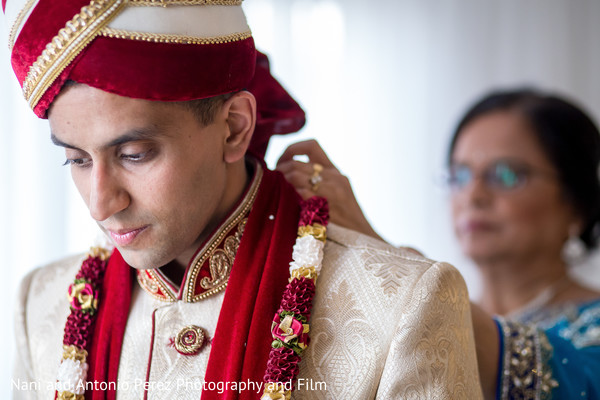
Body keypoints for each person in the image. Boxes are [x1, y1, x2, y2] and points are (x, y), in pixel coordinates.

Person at [5, 1, 482, 399]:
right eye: (76, 160)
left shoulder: (401, 305)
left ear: (233, 127)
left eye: (134, 154)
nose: (100, 205)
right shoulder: (43, 302)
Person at [276, 89, 600, 399]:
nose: (473, 195)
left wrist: (380, 252)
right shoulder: (425, 314)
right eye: (459, 176)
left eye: (506, 175)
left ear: (577, 205)